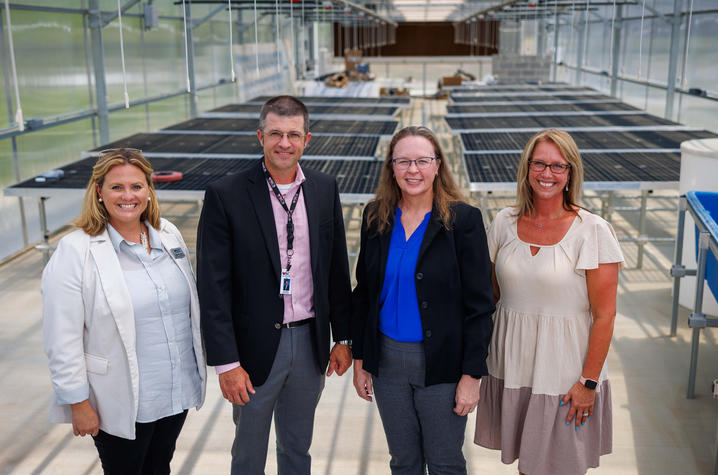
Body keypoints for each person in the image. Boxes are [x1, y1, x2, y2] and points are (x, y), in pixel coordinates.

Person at [197, 95, 353, 475]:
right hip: (253, 350)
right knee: (248, 453)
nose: (285, 143)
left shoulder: (322, 187)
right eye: (276, 134)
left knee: (298, 448)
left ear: (307, 139)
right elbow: (213, 286)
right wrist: (226, 363)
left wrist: (344, 338)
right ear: (260, 136)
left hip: (309, 343)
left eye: (294, 134)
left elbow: (335, 268)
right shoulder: (227, 194)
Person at [42, 148, 206, 474]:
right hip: (118, 398)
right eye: (117, 187)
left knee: (159, 467)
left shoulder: (168, 233)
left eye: (136, 186)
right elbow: (62, 337)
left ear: (149, 190)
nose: (128, 196)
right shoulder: (76, 250)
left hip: (173, 391)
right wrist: (77, 402)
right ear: (99, 192)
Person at [474, 129, 624, 474]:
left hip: (565, 374)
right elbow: (490, 296)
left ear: (571, 173)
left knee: (562, 466)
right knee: (528, 467)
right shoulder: (503, 223)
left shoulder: (593, 230)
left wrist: (588, 383)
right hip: (512, 367)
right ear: (526, 169)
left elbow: (605, 316)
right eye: (539, 164)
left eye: (558, 166)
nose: (547, 174)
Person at [351, 126, 495, 474]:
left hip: (443, 363)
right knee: (404, 461)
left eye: (421, 160)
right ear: (391, 167)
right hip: (387, 363)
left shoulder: (463, 221)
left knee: (445, 462)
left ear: (437, 165)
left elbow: (480, 305)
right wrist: (360, 357)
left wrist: (471, 376)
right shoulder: (375, 217)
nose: (412, 170)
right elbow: (364, 293)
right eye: (403, 161)